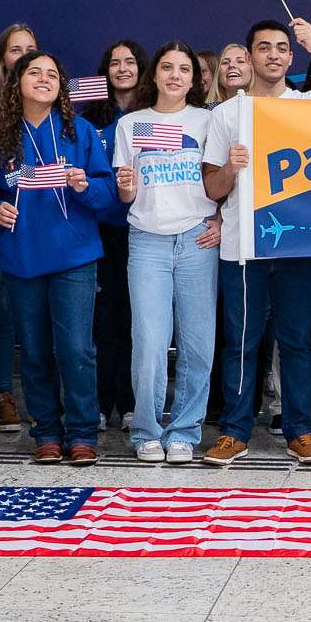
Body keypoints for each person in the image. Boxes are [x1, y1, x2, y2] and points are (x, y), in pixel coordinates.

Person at [200, 18, 311, 465]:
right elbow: (212, 188)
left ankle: (299, 430)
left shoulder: (307, 103)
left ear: (290, 56)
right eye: (264, 47)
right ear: (249, 57)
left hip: (294, 244)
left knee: (297, 341)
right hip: (242, 246)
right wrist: (231, 169)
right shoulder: (227, 113)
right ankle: (234, 431)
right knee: (241, 342)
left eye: (282, 48)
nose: (273, 55)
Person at [0, 50, 118, 466]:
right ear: (17, 83)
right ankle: (46, 431)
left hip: (74, 257)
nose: (44, 79)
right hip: (22, 258)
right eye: (35, 73)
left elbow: (108, 194)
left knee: (76, 349)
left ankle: (81, 432)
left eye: (53, 75)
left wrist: (85, 186)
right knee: (35, 350)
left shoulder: (80, 131)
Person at [115, 42, 221, 464]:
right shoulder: (132, 124)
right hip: (147, 240)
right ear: (154, 75)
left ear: (194, 79)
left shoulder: (208, 120)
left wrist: (221, 220)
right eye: (167, 68)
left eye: (184, 69)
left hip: (197, 238)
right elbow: (127, 193)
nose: (175, 76)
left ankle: (185, 431)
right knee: (149, 342)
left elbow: (220, 180)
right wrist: (126, 188)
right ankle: (146, 430)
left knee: (198, 344)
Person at [0, 22, 39, 434]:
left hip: (44, 229)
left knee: (37, 315)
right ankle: (2, 394)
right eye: (16, 49)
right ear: (1, 59)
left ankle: (40, 395)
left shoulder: (52, 105)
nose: (23, 56)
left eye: (30, 49)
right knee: (2, 312)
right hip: (1, 227)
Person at [84, 39, 146, 433]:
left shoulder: (152, 116)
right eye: (114, 62)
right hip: (101, 232)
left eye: (130, 62)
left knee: (136, 320)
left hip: (144, 230)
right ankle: (101, 400)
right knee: (104, 320)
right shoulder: (91, 120)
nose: (122, 68)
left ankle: (130, 401)